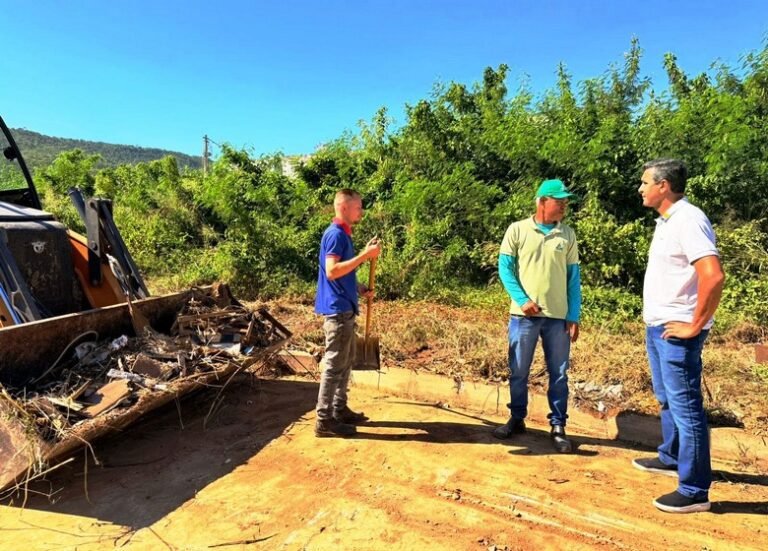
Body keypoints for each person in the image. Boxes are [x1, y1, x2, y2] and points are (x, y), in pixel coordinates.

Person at [633, 159, 725, 513]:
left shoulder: (689, 219)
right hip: (659, 327)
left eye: (645, 183)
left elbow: (713, 275)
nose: (640, 189)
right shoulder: (667, 221)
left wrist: (694, 325)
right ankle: (671, 457)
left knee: (687, 410)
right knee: (667, 399)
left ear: (664, 186)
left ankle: (694, 489)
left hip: (677, 332)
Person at [493, 178, 581, 453]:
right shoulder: (517, 230)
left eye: (565, 202)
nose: (564, 206)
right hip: (523, 317)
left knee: (559, 373)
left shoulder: (567, 235)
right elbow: (505, 269)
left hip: (558, 317)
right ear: (542, 201)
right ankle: (517, 417)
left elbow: (573, 278)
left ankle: (558, 426)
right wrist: (522, 301)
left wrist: (573, 315)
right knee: (519, 370)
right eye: (559, 201)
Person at [314, 189, 381, 438]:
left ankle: (339, 409)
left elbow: (342, 274)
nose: (361, 211)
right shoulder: (335, 235)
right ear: (344, 207)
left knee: (346, 361)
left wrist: (358, 287)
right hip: (338, 311)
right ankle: (324, 420)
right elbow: (332, 271)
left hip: (345, 307)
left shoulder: (343, 234)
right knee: (334, 365)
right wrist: (365, 256)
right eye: (357, 207)